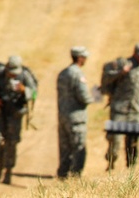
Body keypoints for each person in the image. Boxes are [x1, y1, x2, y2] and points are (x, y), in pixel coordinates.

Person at [100, 42, 139, 169]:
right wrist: (121, 73)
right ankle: (111, 162)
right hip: (120, 108)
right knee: (115, 139)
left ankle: (131, 166)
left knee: (133, 140)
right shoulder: (124, 64)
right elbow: (107, 80)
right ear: (135, 54)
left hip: (135, 110)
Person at [0, 55, 39, 185]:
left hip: (15, 114)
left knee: (11, 142)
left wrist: (25, 91)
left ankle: (8, 170)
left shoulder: (25, 76)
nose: (13, 76)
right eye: (11, 73)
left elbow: (35, 93)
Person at [57, 46, 94, 179]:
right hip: (76, 117)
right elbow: (84, 96)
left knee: (64, 148)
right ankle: (75, 178)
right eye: (84, 58)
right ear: (80, 58)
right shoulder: (77, 74)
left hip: (63, 116)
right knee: (78, 147)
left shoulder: (63, 73)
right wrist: (94, 97)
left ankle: (62, 175)